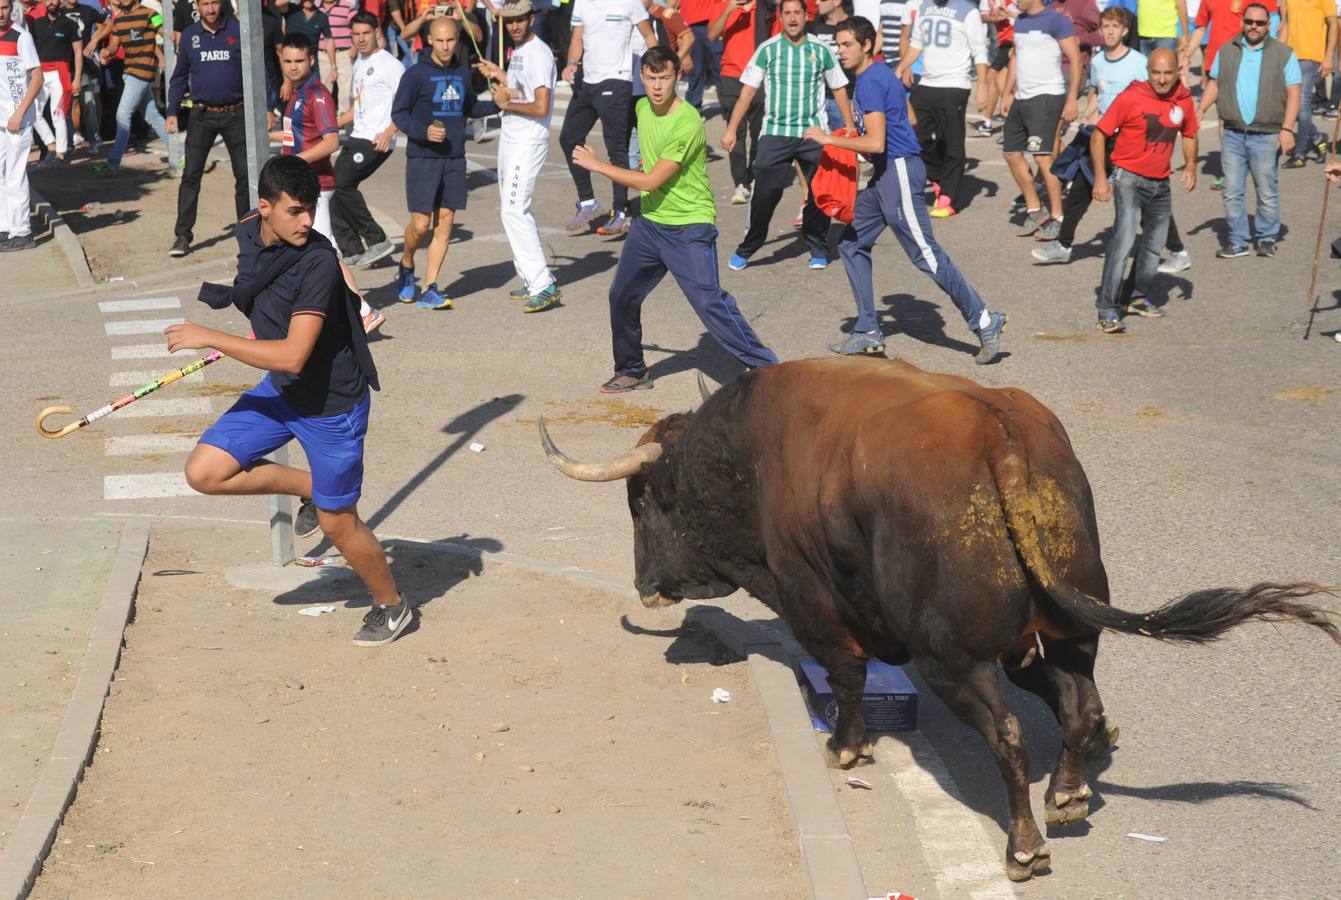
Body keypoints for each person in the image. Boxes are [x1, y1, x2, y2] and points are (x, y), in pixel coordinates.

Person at [166, 155, 413, 648]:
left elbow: (295, 356)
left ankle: (392, 605)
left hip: (330, 407)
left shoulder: (318, 261)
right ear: (264, 209)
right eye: (295, 211)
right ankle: (312, 488)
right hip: (280, 392)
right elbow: (263, 299)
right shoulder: (248, 234)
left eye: (311, 211)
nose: (306, 222)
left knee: (337, 521)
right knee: (205, 473)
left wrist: (207, 335)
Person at [573, 45, 779, 392]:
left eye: (664, 78)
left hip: (688, 226)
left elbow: (653, 181)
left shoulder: (688, 123)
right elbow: (650, 168)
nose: (657, 86)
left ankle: (770, 371)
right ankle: (632, 370)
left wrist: (598, 166)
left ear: (677, 77)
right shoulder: (641, 106)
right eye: (651, 78)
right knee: (621, 295)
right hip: (651, 224)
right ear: (642, 77)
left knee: (709, 302)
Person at [814, 17, 1007, 364]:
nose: (840, 52)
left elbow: (875, 142)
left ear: (867, 45)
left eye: (846, 45)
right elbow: (911, 121)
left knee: (926, 254)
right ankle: (869, 331)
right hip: (890, 173)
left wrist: (829, 139)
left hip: (899, 173)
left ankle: (984, 318)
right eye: (837, 45)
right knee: (850, 242)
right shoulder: (880, 75)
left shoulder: (871, 82)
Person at [723, 0, 854, 272]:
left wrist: (851, 130)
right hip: (775, 133)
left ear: (806, 16)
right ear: (780, 17)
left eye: (797, 13)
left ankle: (817, 247)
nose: (793, 18)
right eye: (788, 13)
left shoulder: (820, 49)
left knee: (820, 193)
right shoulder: (768, 49)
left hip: (813, 133)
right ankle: (749, 244)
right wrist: (731, 129)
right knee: (766, 193)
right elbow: (747, 92)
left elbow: (840, 89)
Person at [1090, 48, 1197, 332]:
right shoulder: (1130, 98)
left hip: (1161, 183)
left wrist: (1190, 165)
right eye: (1156, 73)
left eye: (1167, 73)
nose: (1161, 79)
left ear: (1177, 72)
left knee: (1152, 248)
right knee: (1123, 243)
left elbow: (1189, 132)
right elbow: (1099, 135)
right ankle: (1107, 309)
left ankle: (1135, 296)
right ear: (1147, 72)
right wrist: (1101, 178)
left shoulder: (1183, 100)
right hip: (1129, 180)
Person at [391, 15, 490, 308]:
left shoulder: (462, 73)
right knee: (420, 226)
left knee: (445, 222)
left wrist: (500, 102)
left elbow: (470, 107)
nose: (446, 46)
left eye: (451, 40)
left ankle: (430, 286)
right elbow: (399, 114)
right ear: (430, 40)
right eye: (440, 41)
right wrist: (424, 132)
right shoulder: (415, 74)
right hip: (423, 158)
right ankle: (407, 264)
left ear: (457, 40)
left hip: (455, 158)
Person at [475, 0, 563, 311]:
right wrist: (500, 74)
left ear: (532, 19)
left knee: (514, 210)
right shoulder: (519, 51)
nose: (514, 26)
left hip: (528, 140)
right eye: (509, 21)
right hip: (512, 136)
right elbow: (521, 90)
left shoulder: (538, 53)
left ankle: (543, 284)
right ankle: (532, 278)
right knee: (512, 210)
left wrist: (504, 104)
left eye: (520, 20)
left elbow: (540, 107)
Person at [1197, 3, 1301, 257]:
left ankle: (1266, 237)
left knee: (1266, 191)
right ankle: (1238, 240)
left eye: (1260, 23)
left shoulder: (1284, 53)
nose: (1254, 27)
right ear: (1242, 22)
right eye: (1249, 22)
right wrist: (1200, 111)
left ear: (1269, 25)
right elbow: (1215, 83)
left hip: (1267, 135)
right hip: (1233, 133)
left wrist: (1287, 129)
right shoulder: (1226, 50)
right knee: (1232, 191)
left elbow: (1294, 93)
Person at [558, 0, 657, 236]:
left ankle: (620, 212)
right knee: (568, 138)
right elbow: (577, 40)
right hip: (587, 81)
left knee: (616, 148)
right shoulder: (581, 3)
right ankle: (588, 202)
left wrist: (656, 71)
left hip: (616, 79)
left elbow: (649, 36)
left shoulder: (631, 3)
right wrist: (571, 63)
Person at [166, 0, 248, 259]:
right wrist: (171, 111)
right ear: (197, 6)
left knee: (245, 176)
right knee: (190, 176)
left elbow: (258, 69)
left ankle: (248, 234)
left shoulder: (236, 30)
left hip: (236, 113)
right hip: (202, 115)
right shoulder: (190, 36)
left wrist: (267, 108)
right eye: (205, 4)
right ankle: (182, 235)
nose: (210, 9)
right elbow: (179, 76)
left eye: (214, 2)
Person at [895, 0, 990, 218]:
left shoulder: (968, 11)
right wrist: (900, 69)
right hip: (927, 83)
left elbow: (979, 50)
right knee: (913, 137)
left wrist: (982, 86)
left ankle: (948, 197)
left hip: (955, 85)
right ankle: (937, 176)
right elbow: (916, 43)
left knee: (952, 142)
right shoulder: (924, 7)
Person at [1001, 0, 1081, 236]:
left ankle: (1058, 216)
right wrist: (1007, 92)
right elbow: (1015, 57)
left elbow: (1075, 59)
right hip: (1022, 97)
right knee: (1011, 153)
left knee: (1043, 158)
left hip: (1047, 96)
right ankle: (1035, 209)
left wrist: (1072, 99)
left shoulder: (1056, 20)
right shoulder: (1020, 21)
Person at [330, 10, 401, 268]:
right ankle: (352, 249)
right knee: (331, 187)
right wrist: (328, 125)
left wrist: (389, 132)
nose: (360, 39)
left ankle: (378, 239)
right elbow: (357, 109)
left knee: (342, 183)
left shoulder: (390, 65)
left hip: (375, 139)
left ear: (377, 32)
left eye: (366, 33)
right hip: (357, 135)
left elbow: (407, 105)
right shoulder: (358, 63)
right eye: (356, 34)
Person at [90, 0, 170, 175]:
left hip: (141, 73)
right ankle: (180, 154)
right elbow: (114, 45)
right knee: (153, 116)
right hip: (130, 73)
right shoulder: (119, 20)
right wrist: (107, 52)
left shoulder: (151, 15)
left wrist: (173, 48)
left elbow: (167, 32)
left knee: (122, 115)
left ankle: (113, 163)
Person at [707, 0, 764, 205]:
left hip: (760, 77)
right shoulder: (723, 5)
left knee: (760, 133)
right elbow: (712, 35)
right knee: (735, 133)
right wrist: (729, 9)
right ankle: (741, 183)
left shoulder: (766, 7)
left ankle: (755, 176)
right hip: (731, 77)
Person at [1, 0, 42, 252]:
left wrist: (20, 111)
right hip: (1, 120)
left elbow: (37, 76)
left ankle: (22, 232)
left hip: (18, 120)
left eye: (4, 7)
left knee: (15, 176)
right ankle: (6, 228)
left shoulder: (21, 37)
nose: (0, 12)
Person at [1278, 0, 1337, 166]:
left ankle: (1300, 154)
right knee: (1289, 106)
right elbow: (1287, 25)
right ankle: (1318, 138)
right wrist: (1276, 52)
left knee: (1302, 105)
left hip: (1310, 57)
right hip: (1288, 56)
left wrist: (1329, 57)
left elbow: (1333, 25)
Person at [27, 0, 82, 163]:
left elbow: (78, 52)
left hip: (61, 74)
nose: (51, 2)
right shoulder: (36, 24)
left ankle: (61, 153)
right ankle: (51, 144)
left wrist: (77, 78)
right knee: (33, 111)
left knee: (58, 115)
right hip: (40, 73)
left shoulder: (70, 24)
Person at [977, 0, 1018, 136]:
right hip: (1005, 42)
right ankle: (991, 122)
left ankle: (993, 122)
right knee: (1000, 81)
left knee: (995, 78)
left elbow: (1028, 13)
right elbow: (983, 16)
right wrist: (997, 18)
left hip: (1016, 40)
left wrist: (1010, 15)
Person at [318, 0, 359, 113]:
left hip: (344, 54)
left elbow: (358, 26)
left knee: (346, 93)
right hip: (322, 55)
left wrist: (355, 46)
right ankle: (325, 121)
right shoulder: (316, 7)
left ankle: (345, 122)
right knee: (323, 92)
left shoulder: (347, 6)